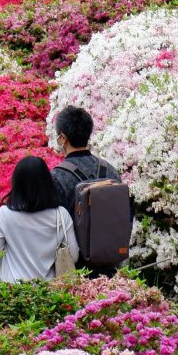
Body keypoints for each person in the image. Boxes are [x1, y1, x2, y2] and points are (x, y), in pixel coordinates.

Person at [50, 105, 132, 278]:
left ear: (62, 138)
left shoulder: (58, 176)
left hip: (78, 268)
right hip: (112, 263)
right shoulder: (110, 170)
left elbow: (55, 225)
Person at [0, 155, 77, 283]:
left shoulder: (5, 214)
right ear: (47, 182)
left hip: (12, 292)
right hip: (48, 292)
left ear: (17, 183)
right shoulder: (60, 214)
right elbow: (73, 255)